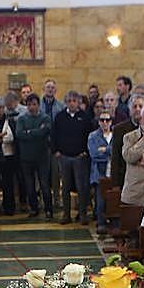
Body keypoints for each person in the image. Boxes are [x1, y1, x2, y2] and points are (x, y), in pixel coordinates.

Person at [52, 90, 94, 225]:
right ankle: (66, 214)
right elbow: (54, 135)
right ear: (66, 102)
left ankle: (82, 214)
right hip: (64, 157)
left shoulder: (85, 117)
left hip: (79, 157)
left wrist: (85, 152)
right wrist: (56, 151)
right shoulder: (59, 117)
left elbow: (89, 135)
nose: (71, 103)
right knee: (65, 187)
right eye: (69, 101)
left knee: (81, 187)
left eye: (74, 101)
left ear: (78, 102)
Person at [15, 94, 54, 220]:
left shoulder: (45, 117)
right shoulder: (22, 119)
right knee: (29, 186)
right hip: (26, 158)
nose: (32, 107)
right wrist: (35, 132)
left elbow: (45, 131)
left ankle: (48, 209)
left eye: (34, 104)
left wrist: (30, 132)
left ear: (38, 105)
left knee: (44, 185)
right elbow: (19, 134)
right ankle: (34, 208)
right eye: (29, 104)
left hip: (42, 156)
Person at [110, 94, 144, 190]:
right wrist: (115, 183)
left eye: (140, 106)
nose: (137, 109)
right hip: (125, 176)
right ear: (129, 110)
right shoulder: (119, 129)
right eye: (134, 106)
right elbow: (115, 157)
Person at [88, 110, 114, 233]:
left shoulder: (115, 135)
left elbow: (118, 152)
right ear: (98, 122)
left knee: (113, 198)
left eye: (107, 120)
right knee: (100, 200)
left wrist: (105, 149)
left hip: (113, 171)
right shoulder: (93, 136)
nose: (104, 123)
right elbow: (94, 154)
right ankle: (101, 223)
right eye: (102, 120)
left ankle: (113, 222)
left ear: (111, 122)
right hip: (99, 171)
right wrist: (109, 152)